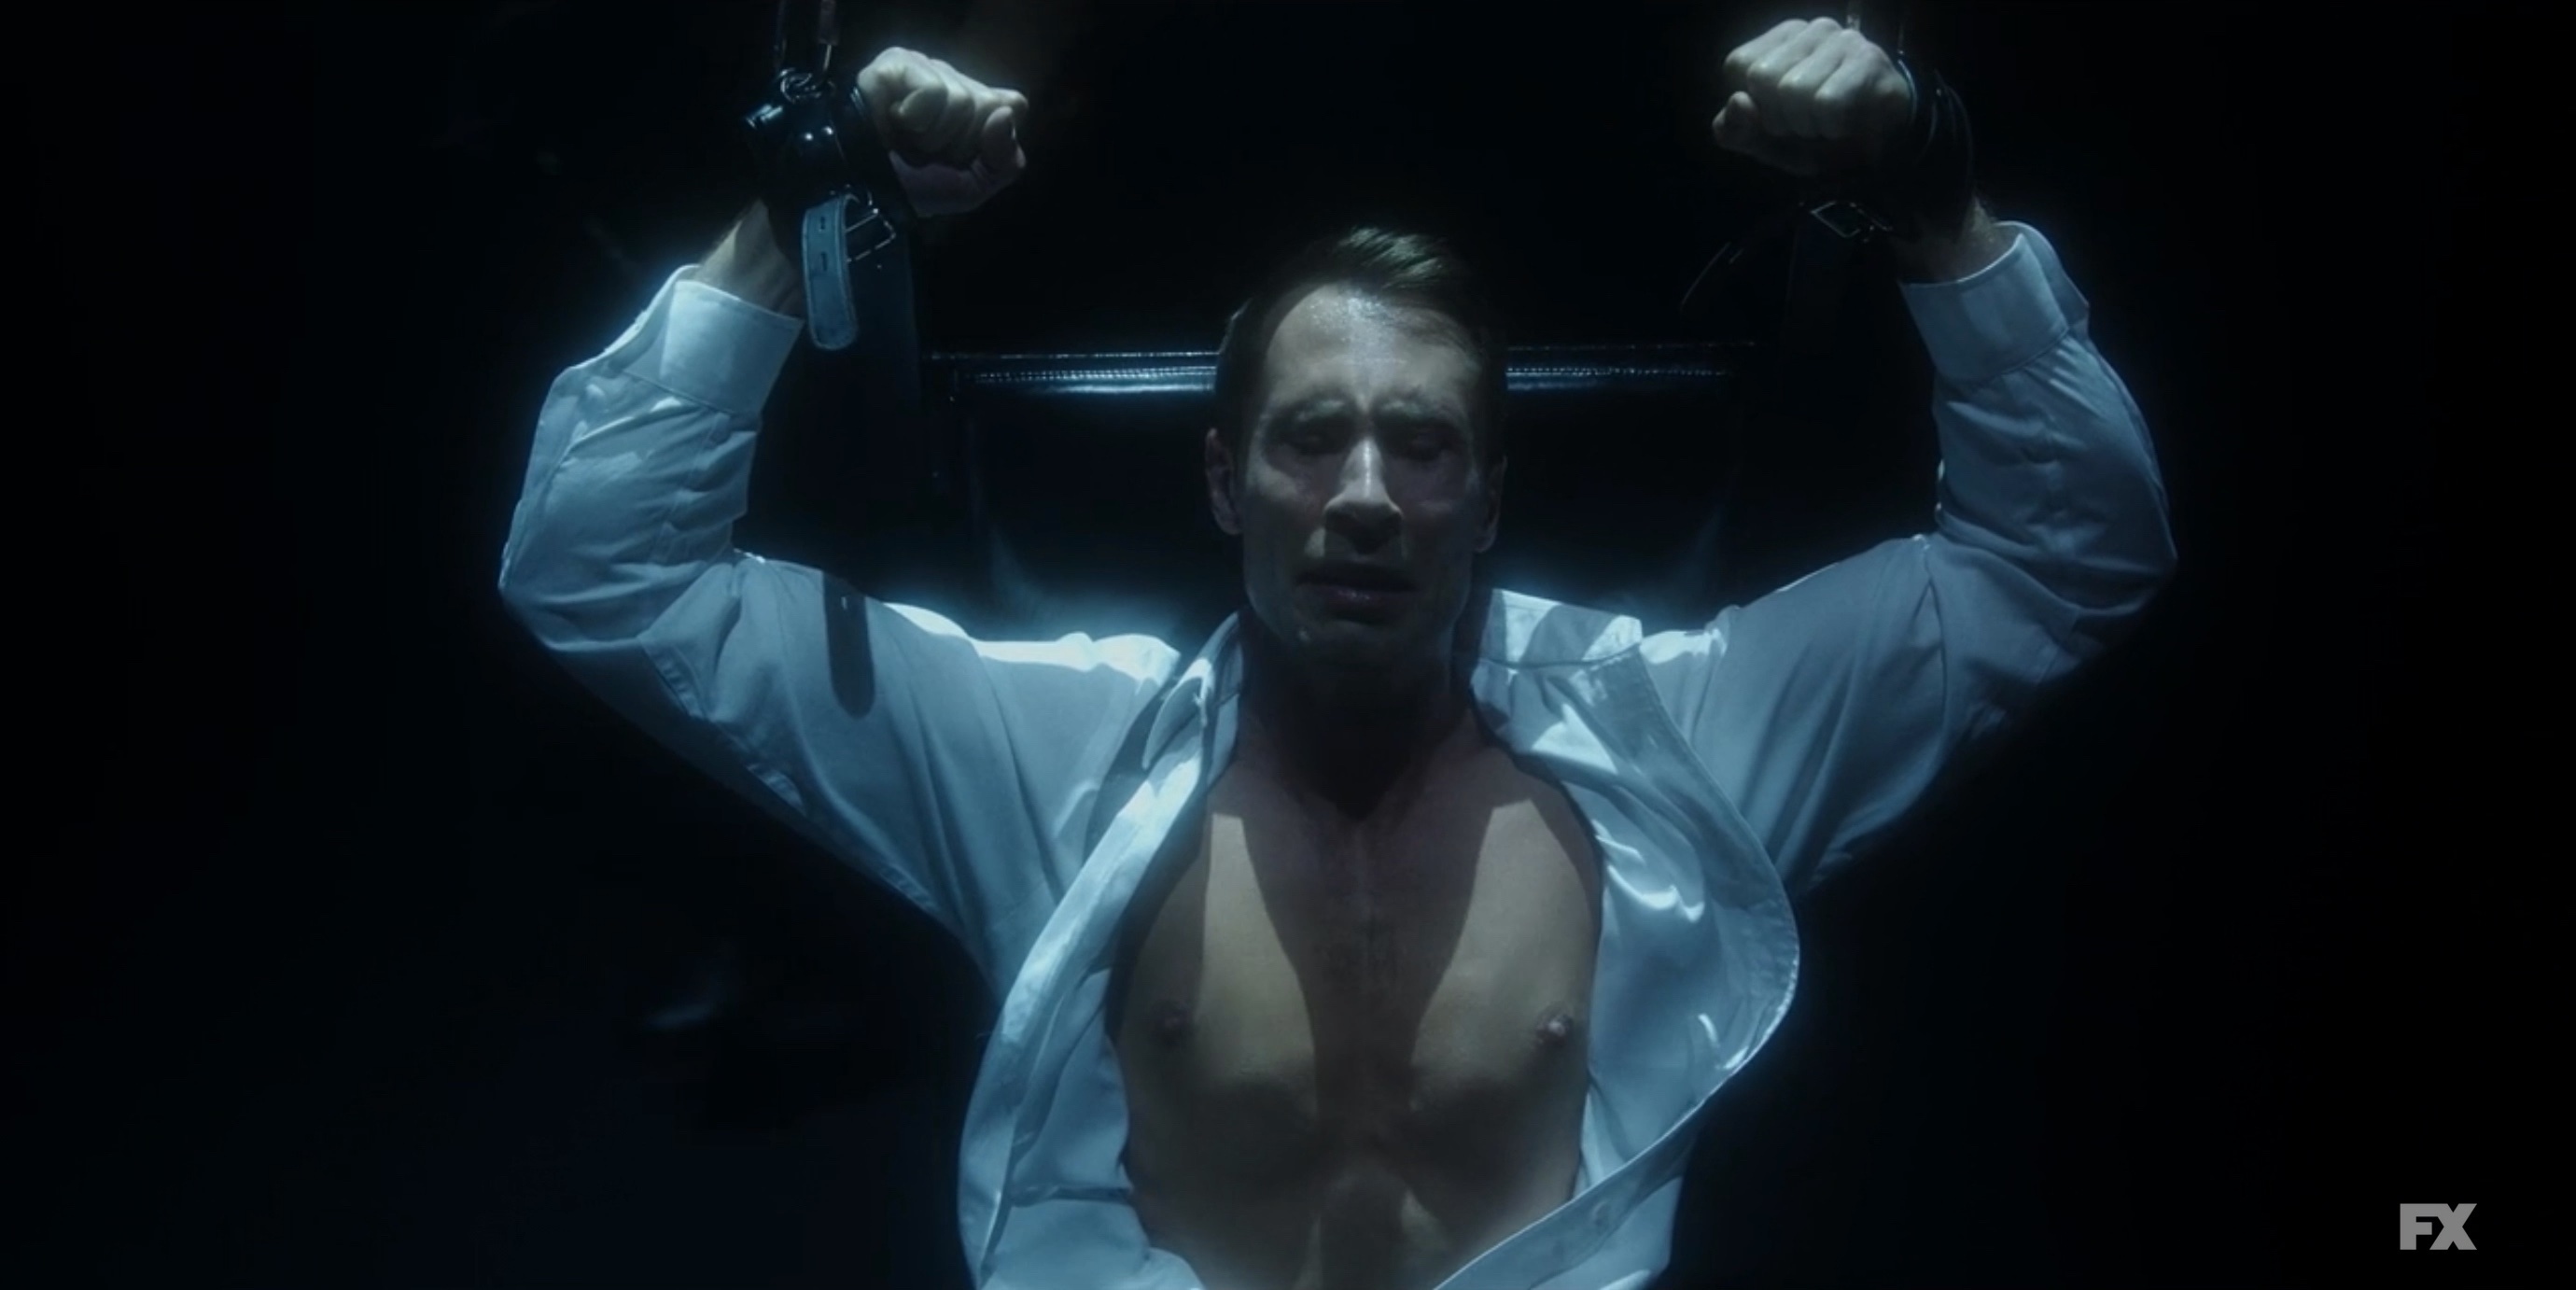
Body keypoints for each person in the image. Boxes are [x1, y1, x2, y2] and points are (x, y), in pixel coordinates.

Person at [497, 16, 2174, 1290]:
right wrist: (801, 214)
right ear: (1225, 482)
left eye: (1421, 444)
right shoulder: (1062, 751)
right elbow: (603, 570)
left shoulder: (1681, 729)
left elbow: (2070, 555)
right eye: (1312, 438)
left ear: (1489, 495)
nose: (1366, 494)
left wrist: (1935, 206)